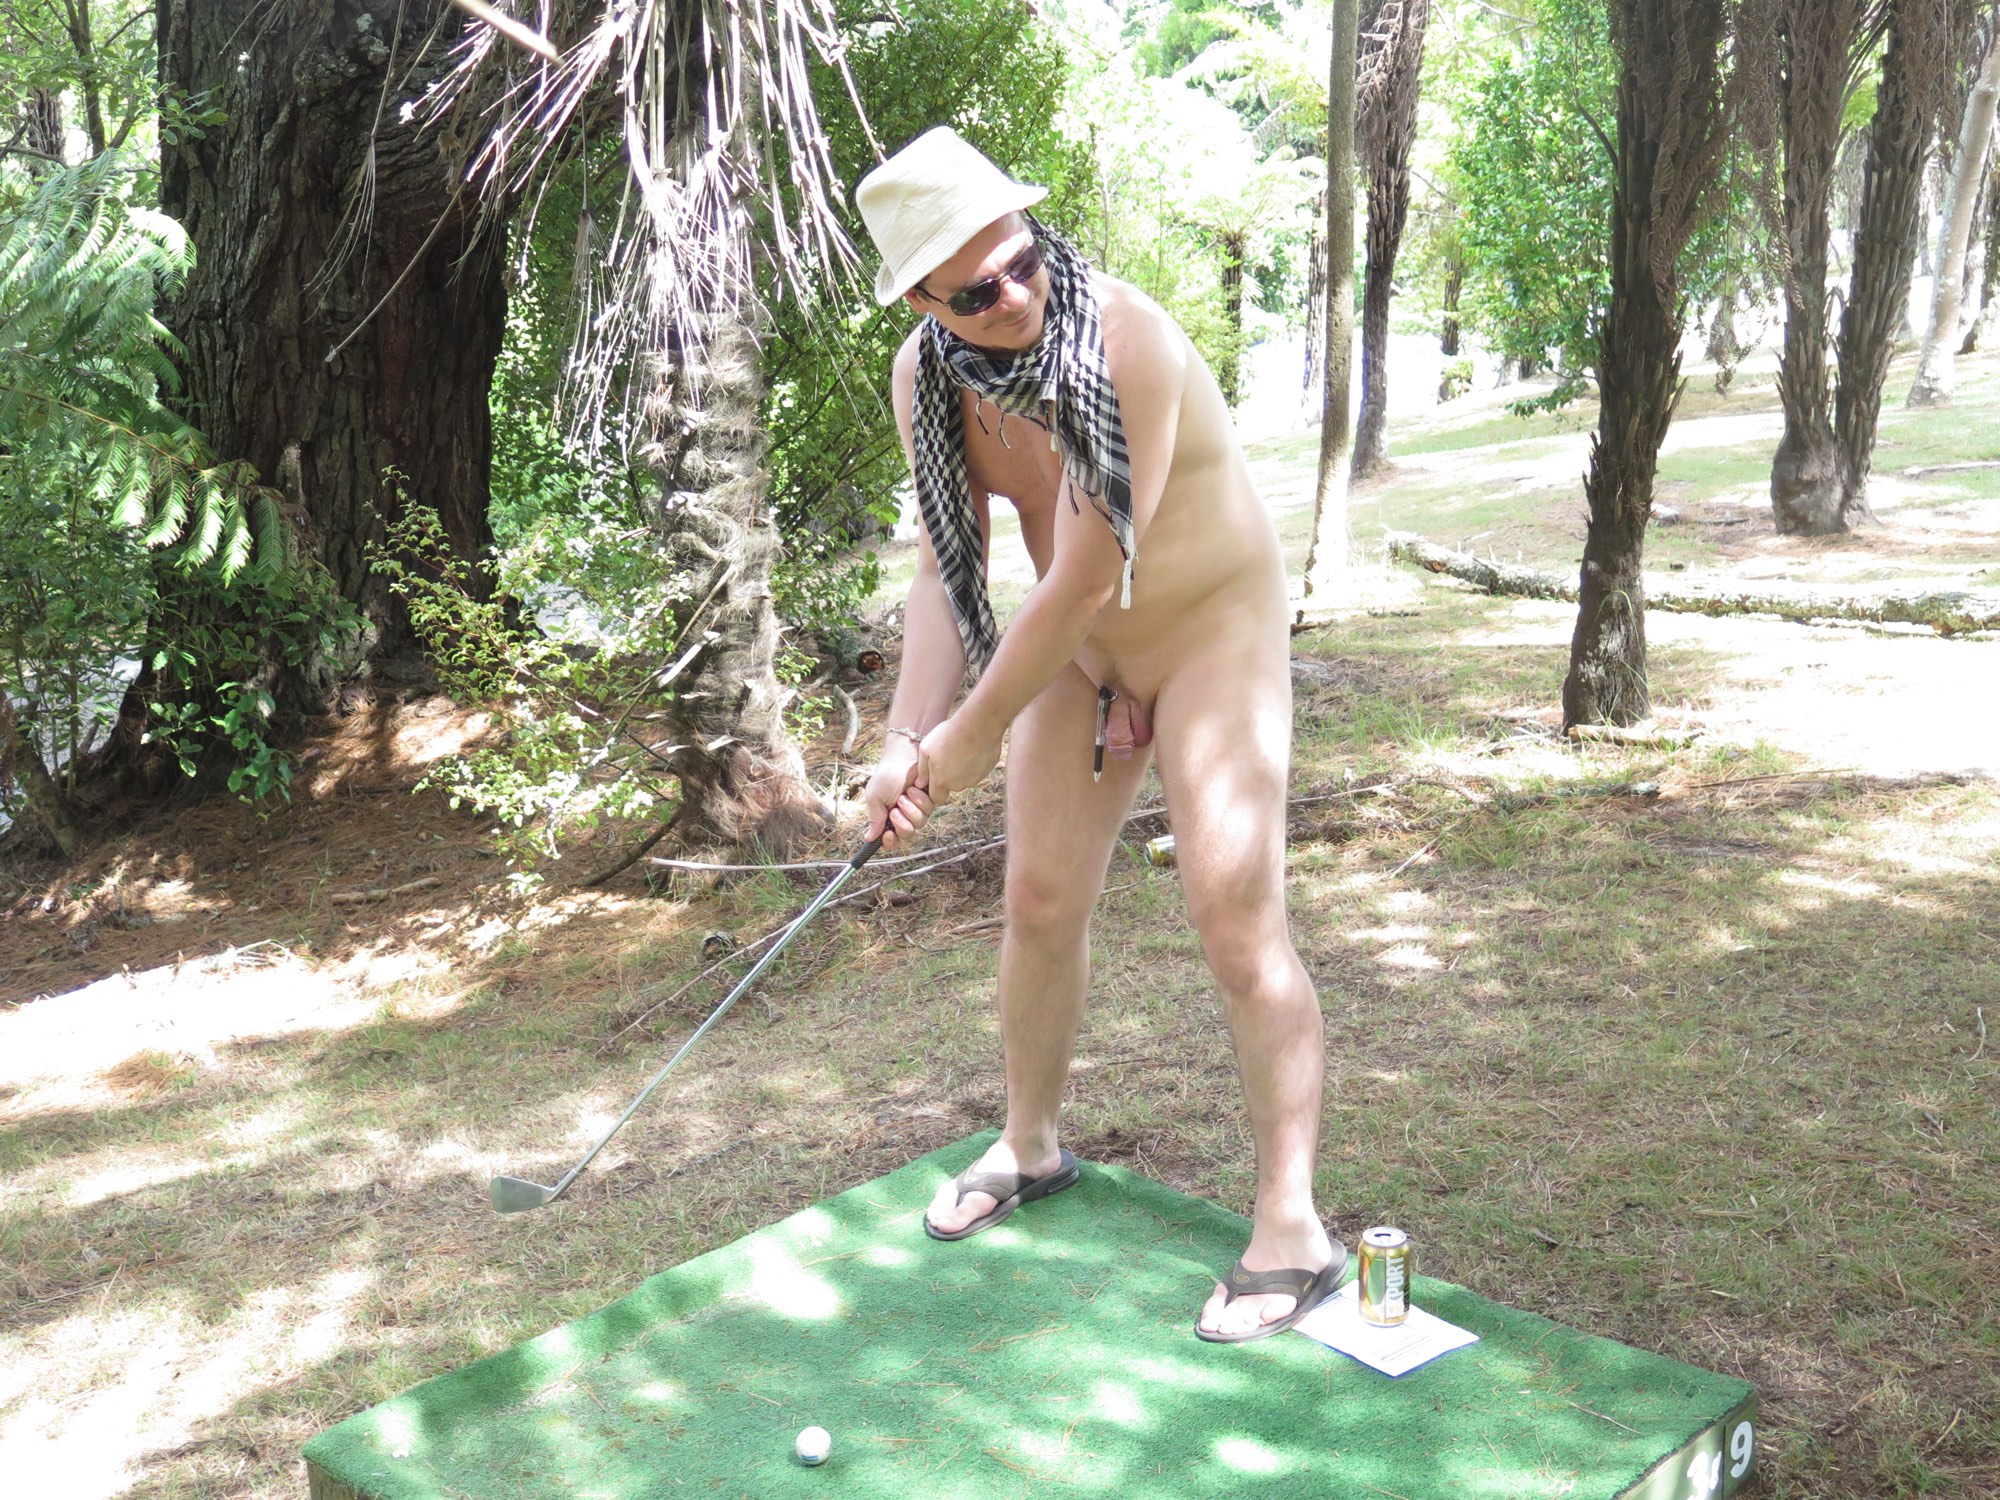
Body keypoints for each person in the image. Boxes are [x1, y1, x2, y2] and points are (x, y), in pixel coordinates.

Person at [854, 127, 1338, 1343]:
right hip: (1077, 650)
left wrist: (971, 732)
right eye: (974, 293)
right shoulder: (927, 380)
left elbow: (1082, 571)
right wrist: (906, 736)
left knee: (1232, 914)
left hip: (1207, 629)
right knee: (1036, 897)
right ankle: (1029, 1144)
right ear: (921, 305)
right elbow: (942, 573)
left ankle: (1292, 1228)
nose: (1012, 296)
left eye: (1020, 261)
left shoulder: (1123, 341)